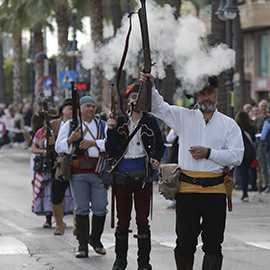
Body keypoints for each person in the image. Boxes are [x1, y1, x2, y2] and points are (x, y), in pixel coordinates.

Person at [140, 72, 244, 270]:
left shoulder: (229, 124)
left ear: (216, 95)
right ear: (196, 96)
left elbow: (237, 156)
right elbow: (158, 107)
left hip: (216, 191)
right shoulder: (184, 117)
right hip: (187, 191)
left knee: (213, 245)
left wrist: (209, 153)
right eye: (202, 93)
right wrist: (150, 86)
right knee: (185, 244)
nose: (206, 97)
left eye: (210, 92)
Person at [106, 83, 165, 270]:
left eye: (139, 97)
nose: (135, 100)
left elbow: (160, 145)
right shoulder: (120, 120)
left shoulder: (151, 121)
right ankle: (120, 261)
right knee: (123, 220)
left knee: (142, 220)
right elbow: (111, 151)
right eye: (133, 96)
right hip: (122, 176)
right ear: (128, 100)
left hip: (144, 177)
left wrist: (155, 159)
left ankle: (144, 263)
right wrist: (111, 130)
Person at [55, 96, 108, 258]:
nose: (91, 109)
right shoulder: (70, 124)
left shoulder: (102, 125)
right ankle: (82, 245)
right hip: (78, 172)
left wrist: (94, 143)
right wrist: (72, 139)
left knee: (100, 207)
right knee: (82, 208)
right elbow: (59, 146)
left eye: (93, 106)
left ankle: (95, 239)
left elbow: (111, 143)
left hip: (97, 171)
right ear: (80, 108)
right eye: (87, 106)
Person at [39, 99, 74, 235]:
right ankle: (59, 223)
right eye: (69, 108)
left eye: (74, 108)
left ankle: (78, 224)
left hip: (75, 163)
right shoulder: (54, 124)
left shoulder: (79, 124)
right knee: (56, 195)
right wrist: (49, 141)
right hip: (59, 164)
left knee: (77, 195)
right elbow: (42, 141)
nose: (71, 111)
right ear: (63, 110)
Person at [31, 108, 59, 228]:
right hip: (45, 166)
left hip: (57, 164)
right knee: (47, 191)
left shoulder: (60, 129)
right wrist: (43, 151)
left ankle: (59, 218)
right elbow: (34, 148)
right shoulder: (40, 132)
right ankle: (48, 218)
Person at [235, 111, 256, 202]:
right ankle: (250, 186)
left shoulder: (236, 128)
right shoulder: (251, 128)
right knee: (248, 172)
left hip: (240, 153)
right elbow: (254, 139)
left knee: (243, 174)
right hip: (250, 153)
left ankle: (245, 194)